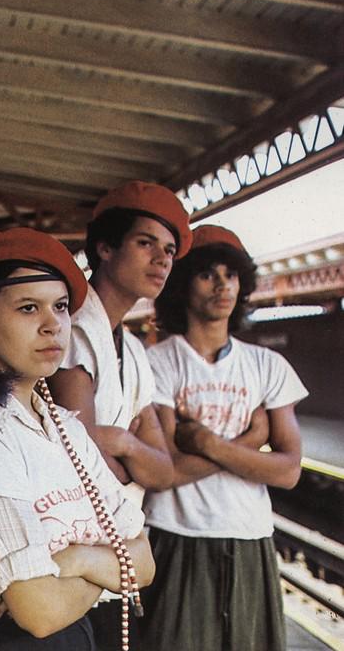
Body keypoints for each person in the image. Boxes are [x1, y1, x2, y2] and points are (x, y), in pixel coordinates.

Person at [0, 227, 154, 651]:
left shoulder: (64, 427)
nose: (53, 326)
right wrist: (102, 568)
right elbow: (39, 612)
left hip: (73, 634)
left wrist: (75, 560)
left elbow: (146, 562)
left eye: (61, 307)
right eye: (29, 308)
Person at [139, 225, 305, 651]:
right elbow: (166, 472)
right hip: (175, 537)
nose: (222, 286)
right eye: (207, 274)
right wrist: (250, 441)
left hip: (249, 537)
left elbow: (288, 471)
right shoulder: (156, 364)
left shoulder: (267, 365)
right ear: (182, 284)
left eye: (231, 275)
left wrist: (208, 444)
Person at [45, 181, 189, 648]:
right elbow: (77, 453)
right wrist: (129, 460)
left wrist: (124, 443)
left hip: (110, 556)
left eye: (168, 250)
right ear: (105, 247)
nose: (162, 260)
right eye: (146, 243)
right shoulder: (74, 328)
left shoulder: (133, 349)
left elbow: (165, 470)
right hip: (69, 558)